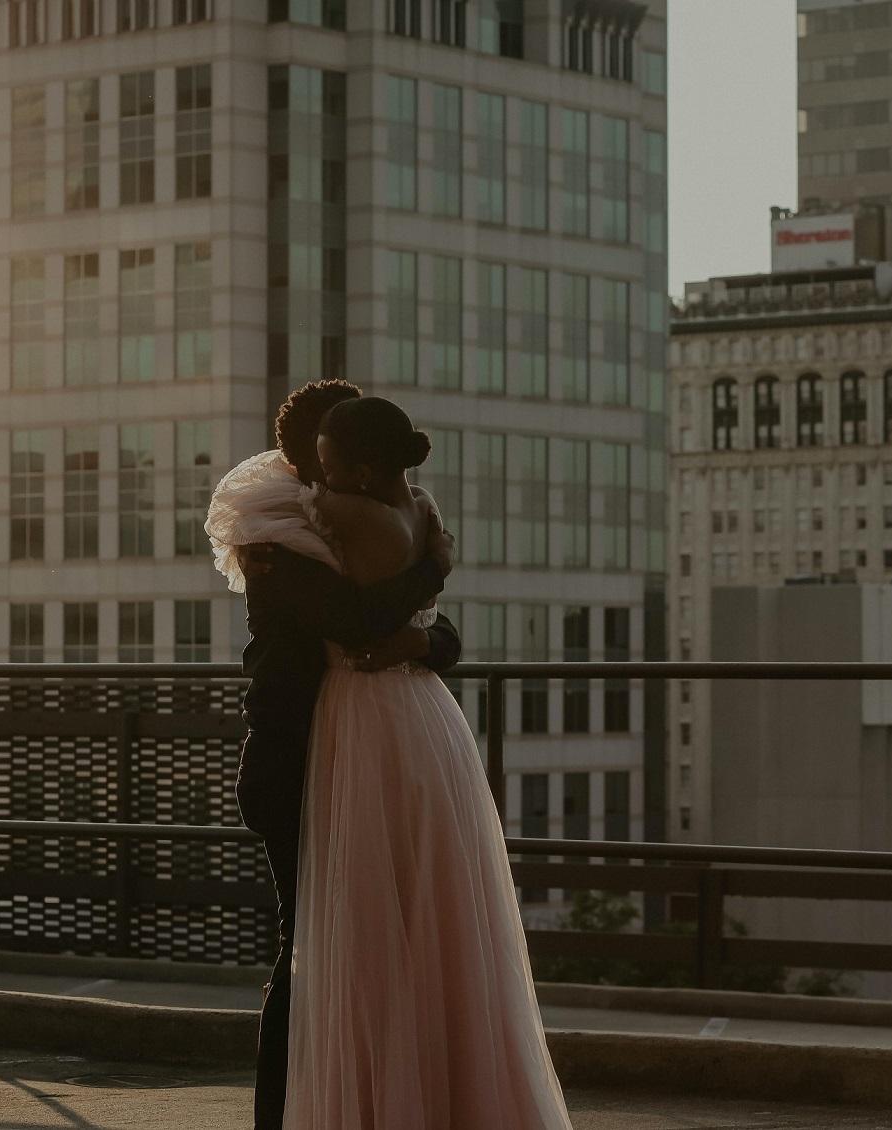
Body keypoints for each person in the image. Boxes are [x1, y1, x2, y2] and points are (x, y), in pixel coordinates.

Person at [285, 396, 571, 1129]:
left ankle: (390, 1100)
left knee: (373, 911)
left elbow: (360, 614)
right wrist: (433, 594)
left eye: (329, 465)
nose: (320, 477)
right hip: (431, 718)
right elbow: (426, 616)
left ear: (361, 467)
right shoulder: (423, 509)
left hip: (369, 712)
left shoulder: (340, 513)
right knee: (441, 904)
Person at [203, 379, 464, 1130]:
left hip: (373, 755)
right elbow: (352, 621)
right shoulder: (279, 538)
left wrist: (429, 632)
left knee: (389, 940)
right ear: (324, 462)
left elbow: (426, 630)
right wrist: (434, 565)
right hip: (294, 762)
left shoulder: (367, 525)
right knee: (307, 950)